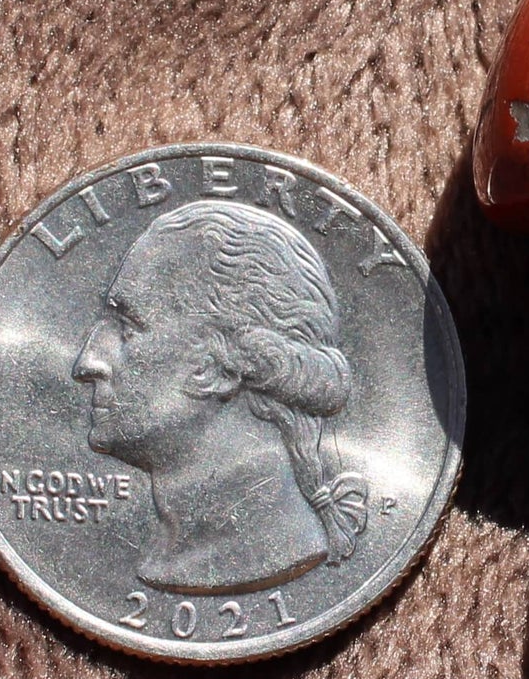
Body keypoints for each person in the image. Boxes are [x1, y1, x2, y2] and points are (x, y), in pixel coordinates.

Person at [72, 199, 368, 594]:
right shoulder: (175, 552)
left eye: (127, 329)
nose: (87, 363)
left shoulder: (264, 551)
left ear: (215, 366)